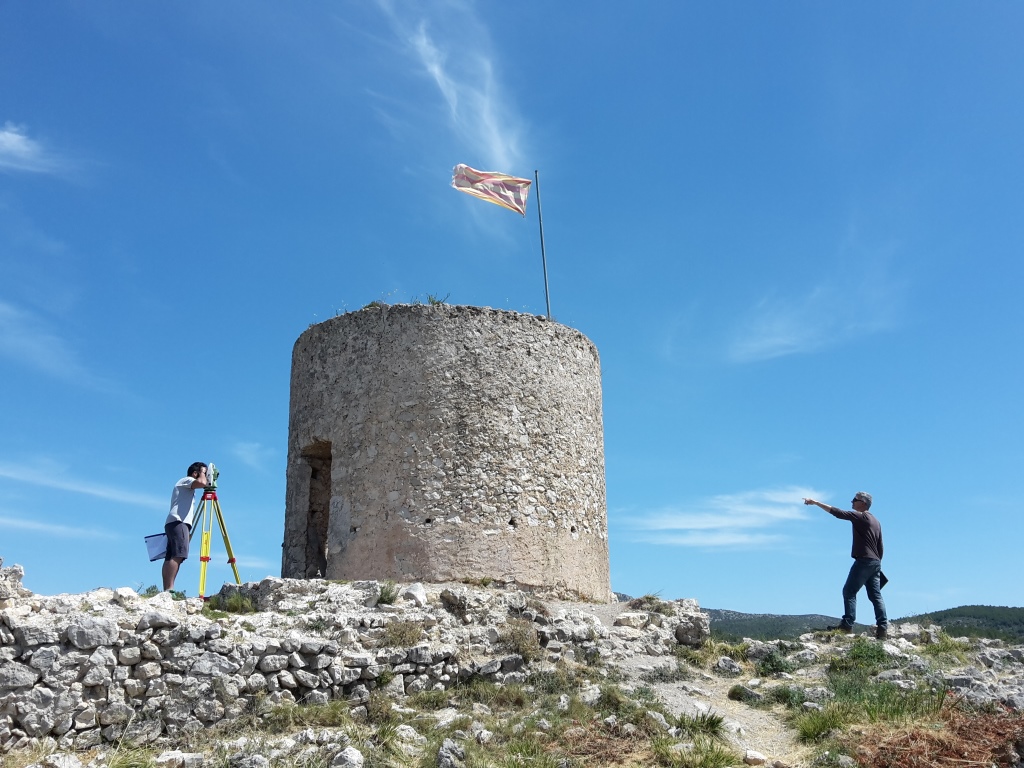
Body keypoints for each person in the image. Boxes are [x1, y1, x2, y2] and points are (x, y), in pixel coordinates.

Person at [803, 491, 888, 639]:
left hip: (864, 560)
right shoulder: (876, 521)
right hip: (875, 562)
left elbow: (838, 513)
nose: (852, 502)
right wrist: (877, 564)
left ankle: (847, 625)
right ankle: (883, 629)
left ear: (863, 503)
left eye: (855, 499)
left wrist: (816, 503)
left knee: (849, 591)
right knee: (876, 596)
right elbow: (881, 546)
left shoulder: (861, 517)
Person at [163, 462, 208, 592]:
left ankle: (167, 589)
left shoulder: (185, 484)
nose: (206, 476)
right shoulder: (187, 480)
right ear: (195, 473)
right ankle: (169, 589)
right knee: (178, 555)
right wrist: (203, 473)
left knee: (172, 556)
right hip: (179, 521)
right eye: (204, 473)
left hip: (176, 522)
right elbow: (202, 483)